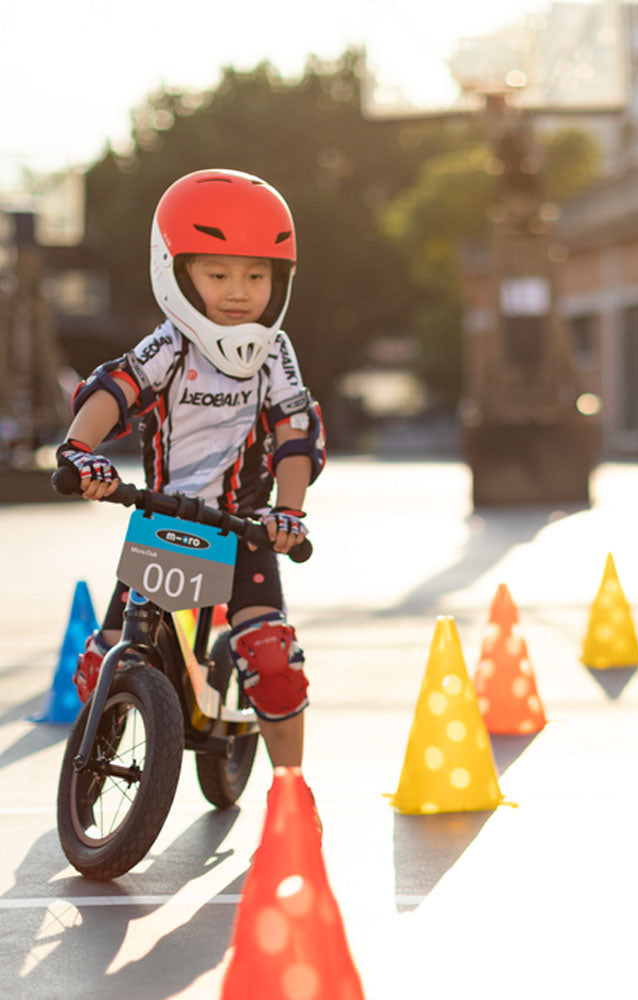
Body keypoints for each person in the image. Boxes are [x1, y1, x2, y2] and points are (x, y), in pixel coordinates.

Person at [56, 168, 325, 772]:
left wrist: (290, 512)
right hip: (167, 520)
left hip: (246, 527)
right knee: (109, 663)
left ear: (279, 280)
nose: (239, 290)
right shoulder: (173, 344)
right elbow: (117, 388)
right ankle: (90, 776)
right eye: (218, 273)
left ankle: (291, 792)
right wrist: (80, 450)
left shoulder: (275, 354)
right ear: (178, 273)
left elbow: (295, 434)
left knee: (272, 658)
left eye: (257, 274)